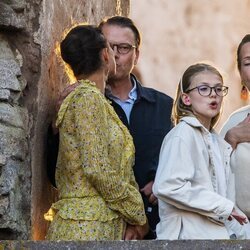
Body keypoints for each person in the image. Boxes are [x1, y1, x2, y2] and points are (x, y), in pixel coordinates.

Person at [48, 16, 173, 239]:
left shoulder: (164, 106)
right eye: (110, 46)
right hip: (89, 227)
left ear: (137, 54)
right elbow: (94, 169)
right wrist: (137, 213)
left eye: (123, 48)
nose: (115, 53)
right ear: (104, 53)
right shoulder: (88, 99)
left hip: (133, 225)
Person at [153, 63, 248, 240]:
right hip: (185, 239)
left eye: (219, 89)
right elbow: (168, 186)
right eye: (204, 89)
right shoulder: (182, 134)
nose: (213, 94)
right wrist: (224, 207)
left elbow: (225, 199)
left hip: (214, 238)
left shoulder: (217, 142)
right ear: (186, 99)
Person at [220, 34, 250, 229]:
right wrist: (231, 139)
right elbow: (213, 178)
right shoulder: (234, 122)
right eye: (248, 62)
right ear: (240, 72)